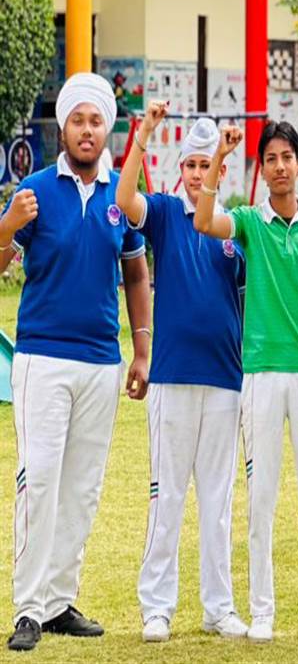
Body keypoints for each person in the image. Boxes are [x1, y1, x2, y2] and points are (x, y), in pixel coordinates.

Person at [0, 72, 152, 652]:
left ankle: (59, 601)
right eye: (77, 120)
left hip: (100, 362)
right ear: (63, 128)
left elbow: (135, 274)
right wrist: (8, 225)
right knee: (39, 481)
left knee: (82, 488)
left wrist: (142, 348)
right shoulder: (35, 190)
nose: (87, 130)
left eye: (96, 121)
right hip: (42, 357)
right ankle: (28, 608)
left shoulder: (120, 197)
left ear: (107, 128)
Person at [194, 121, 298, 644]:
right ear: (262, 169)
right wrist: (219, 156)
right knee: (261, 497)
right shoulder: (248, 222)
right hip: (259, 373)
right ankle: (262, 611)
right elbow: (203, 220)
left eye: (287, 157)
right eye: (271, 159)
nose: (280, 167)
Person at [116, 102, 250, 643]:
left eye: (207, 165)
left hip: (225, 378)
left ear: (221, 169)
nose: (198, 175)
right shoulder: (167, 213)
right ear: (181, 169)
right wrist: (144, 133)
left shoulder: (235, 227)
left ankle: (219, 608)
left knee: (218, 500)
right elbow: (124, 200)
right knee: (166, 495)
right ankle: (157, 607)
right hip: (172, 377)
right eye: (192, 165)